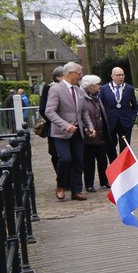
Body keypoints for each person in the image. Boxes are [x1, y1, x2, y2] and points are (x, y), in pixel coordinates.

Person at [44, 62, 95, 201]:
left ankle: (76, 191)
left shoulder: (79, 91)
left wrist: (90, 127)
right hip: (61, 133)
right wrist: (65, 125)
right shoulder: (56, 89)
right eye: (79, 73)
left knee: (78, 161)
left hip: (78, 132)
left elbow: (83, 112)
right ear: (70, 73)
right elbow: (49, 111)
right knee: (65, 159)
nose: (81, 76)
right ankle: (61, 185)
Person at [80, 74, 111, 193]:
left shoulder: (97, 97)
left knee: (103, 159)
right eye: (97, 84)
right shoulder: (82, 98)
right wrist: (87, 129)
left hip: (100, 133)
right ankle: (89, 184)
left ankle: (104, 180)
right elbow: (81, 116)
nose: (100, 86)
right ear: (91, 86)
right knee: (89, 161)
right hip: (89, 135)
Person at [101, 66, 138, 162]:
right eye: (118, 75)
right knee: (110, 147)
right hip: (110, 123)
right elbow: (101, 106)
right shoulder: (104, 89)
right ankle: (114, 165)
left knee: (125, 147)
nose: (121, 77)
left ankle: (124, 166)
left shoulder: (129, 89)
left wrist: (132, 120)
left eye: (122, 75)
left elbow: (135, 106)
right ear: (112, 76)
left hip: (125, 123)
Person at [39, 66, 66, 175]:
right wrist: (55, 121)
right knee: (56, 154)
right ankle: (60, 177)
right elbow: (43, 109)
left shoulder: (73, 87)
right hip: (54, 126)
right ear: (58, 77)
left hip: (71, 126)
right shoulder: (48, 88)